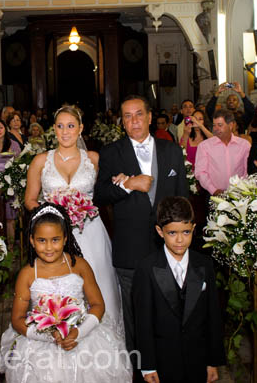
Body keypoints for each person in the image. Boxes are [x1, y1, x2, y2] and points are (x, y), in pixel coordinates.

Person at [93, 95, 188, 354]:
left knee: (168, 307)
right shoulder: (112, 152)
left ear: (149, 117)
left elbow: (183, 198)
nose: (133, 121)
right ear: (122, 122)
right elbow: (99, 195)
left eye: (138, 114)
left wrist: (181, 245)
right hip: (129, 246)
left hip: (167, 247)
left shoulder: (171, 150)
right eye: (127, 116)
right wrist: (127, 184)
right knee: (134, 314)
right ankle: (138, 366)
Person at [0, 203, 132, 382]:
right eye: (41, 240)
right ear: (31, 240)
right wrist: (48, 336)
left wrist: (79, 332)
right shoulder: (27, 274)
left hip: (83, 336)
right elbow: (17, 319)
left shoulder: (79, 265)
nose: (48, 247)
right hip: (42, 342)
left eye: (55, 240)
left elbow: (98, 305)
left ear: (65, 238)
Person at [25, 105, 124, 339]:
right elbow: (29, 200)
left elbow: (107, 190)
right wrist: (51, 212)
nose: (65, 131)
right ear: (54, 130)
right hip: (54, 238)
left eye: (71, 126)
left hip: (90, 231)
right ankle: (58, 332)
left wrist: (119, 179)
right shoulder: (41, 161)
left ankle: (102, 338)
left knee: (99, 284)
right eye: (60, 126)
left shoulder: (94, 159)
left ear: (80, 129)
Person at [132, 196, 225, 383]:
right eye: (172, 233)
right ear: (160, 231)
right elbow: (142, 322)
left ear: (193, 229)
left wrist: (212, 361)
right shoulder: (147, 268)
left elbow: (213, 316)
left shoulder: (204, 265)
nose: (180, 240)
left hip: (197, 360)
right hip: (163, 360)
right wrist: (147, 365)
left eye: (186, 232)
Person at [194, 110, 250, 196]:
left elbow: (247, 171)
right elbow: (200, 172)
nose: (215, 129)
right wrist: (213, 190)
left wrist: (242, 189)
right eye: (214, 125)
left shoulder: (244, 145)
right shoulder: (204, 146)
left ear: (231, 125)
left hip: (240, 194)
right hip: (213, 195)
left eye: (220, 125)